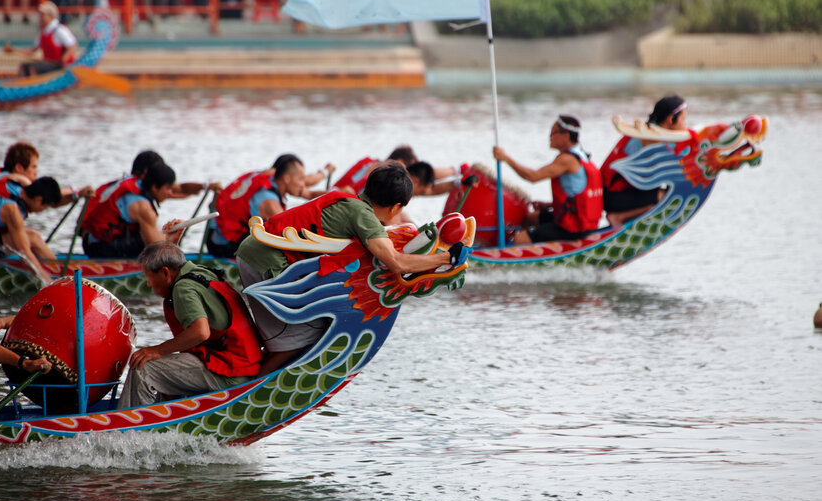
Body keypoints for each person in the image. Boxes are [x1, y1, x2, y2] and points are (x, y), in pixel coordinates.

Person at [236, 161, 471, 375]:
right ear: (396, 208)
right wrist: (445, 258)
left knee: (303, 331)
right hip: (263, 258)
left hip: (256, 252)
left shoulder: (349, 202)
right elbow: (397, 263)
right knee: (300, 340)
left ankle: (254, 370)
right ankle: (249, 388)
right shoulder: (363, 217)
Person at [117, 241, 264, 408]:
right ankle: (161, 411)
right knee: (161, 364)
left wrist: (157, 350)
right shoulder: (200, 272)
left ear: (165, 272)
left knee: (143, 367)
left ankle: (129, 421)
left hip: (230, 372)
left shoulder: (183, 288)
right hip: (242, 366)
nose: (149, 284)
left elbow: (200, 332)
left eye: (148, 277)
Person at [493, 115, 603, 244]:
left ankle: (515, 250)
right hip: (581, 219)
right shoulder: (582, 156)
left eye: (553, 132)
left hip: (574, 226)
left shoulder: (567, 160)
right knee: (530, 218)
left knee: (520, 239)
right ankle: (524, 246)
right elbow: (577, 194)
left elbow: (532, 176)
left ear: (566, 136)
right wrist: (550, 205)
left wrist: (506, 158)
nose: (550, 136)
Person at [601, 95, 691, 227]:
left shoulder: (653, 132)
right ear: (671, 119)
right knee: (668, 197)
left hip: (621, 192)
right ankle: (618, 217)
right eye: (683, 119)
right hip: (612, 196)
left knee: (669, 193)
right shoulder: (649, 138)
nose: (685, 124)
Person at [206, 154, 309, 258]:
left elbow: (311, 188)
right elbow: (289, 231)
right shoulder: (268, 200)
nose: (303, 185)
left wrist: (320, 179)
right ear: (286, 178)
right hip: (223, 246)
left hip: (216, 234)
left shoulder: (267, 178)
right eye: (301, 179)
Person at [80, 162, 181, 258]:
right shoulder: (143, 207)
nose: (170, 192)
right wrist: (172, 239)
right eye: (168, 188)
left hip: (90, 240)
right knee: (146, 241)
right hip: (97, 247)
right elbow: (157, 248)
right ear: (154, 187)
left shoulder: (136, 183)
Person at [0, 176, 63, 285]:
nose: (43, 210)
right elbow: (24, 251)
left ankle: (58, 270)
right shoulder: (12, 210)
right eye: (46, 206)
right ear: (38, 200)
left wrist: (77, 194)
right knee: (31, 239)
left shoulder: (17, 183)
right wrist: (49, 282)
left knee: (32, 235)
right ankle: (58, 277)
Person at [3, 1, 77, 77]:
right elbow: (31, 51)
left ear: (50, 16)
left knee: (33, 68)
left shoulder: (59, 30)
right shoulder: (43, 32)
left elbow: (72, 46)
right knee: (24, 67)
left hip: (61, 66)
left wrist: (63, 60)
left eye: (42, 15)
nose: (40, 17)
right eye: (40, 15)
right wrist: (13, 50)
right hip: (49, 64)